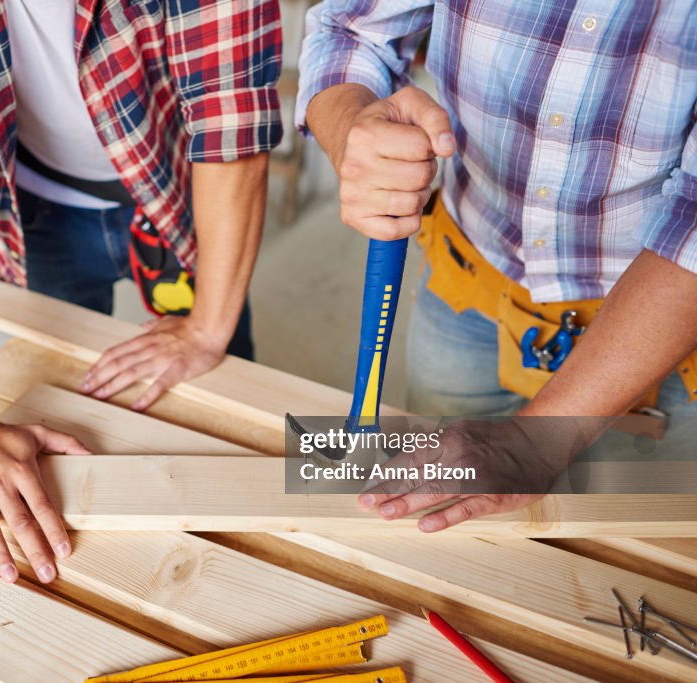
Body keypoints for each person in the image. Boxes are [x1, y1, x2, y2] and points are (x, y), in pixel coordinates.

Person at [0, 0, 282, 582]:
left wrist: (208, 327)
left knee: (230, 404)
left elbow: (231, 124)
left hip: (187, 192)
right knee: (63, 414)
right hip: (40, 208)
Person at [299, 2, 697, 529]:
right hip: (469, 288)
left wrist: (540, 440)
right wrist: (352, 123)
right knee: (437, 521)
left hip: (664, 343)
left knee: (633, 547)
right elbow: (349, 29)